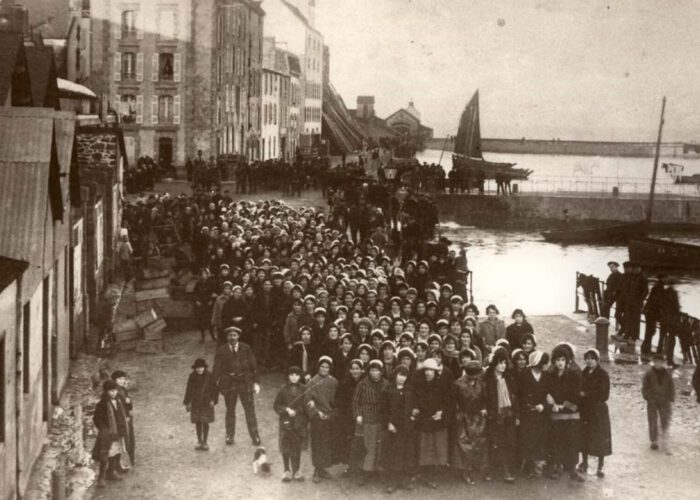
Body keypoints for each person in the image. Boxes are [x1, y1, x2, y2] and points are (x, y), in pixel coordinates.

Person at [212, 326, 261, 446]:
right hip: (229, 384)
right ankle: (229, 435)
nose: (232, 338)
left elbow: (253, 366)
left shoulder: (246, 348)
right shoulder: (221, 350)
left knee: (250, 410)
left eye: (234, 335)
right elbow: (216, 369)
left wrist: (256, 382)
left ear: (238, 336)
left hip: (245, 383)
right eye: (230, 335)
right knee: (230, 411)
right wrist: (214, 385)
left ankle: (255, 435)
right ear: (226, 337)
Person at [547, 345, 585, 482]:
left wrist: (563, 405)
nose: (560, 363)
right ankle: (557, 467)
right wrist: (550, 399)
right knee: (557, 440)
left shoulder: (573, 375)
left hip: (571, 414)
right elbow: (547, 390)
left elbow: (576, 395)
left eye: (563, 360)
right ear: (554, 361)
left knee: (572, 442)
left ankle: (573, 470)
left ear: (567, 361)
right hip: (556, 414)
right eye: (557, 360)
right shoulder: (550, 375)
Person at [413, 358, 450, 489]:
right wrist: (415, 409)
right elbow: (415, 401)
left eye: (431, 370)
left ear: (435, 372)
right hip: (423, 421)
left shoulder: (441, 385)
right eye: (426, 370)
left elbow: (448, 402)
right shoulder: (418, 385)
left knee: (436, 449)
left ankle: (432, 475)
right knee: (424, 448)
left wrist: (442, 412)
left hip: (437, 422)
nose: (428, 373)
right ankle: (423, 473)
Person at [353, 359, 390, 485]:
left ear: (381, 372)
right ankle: (367, 472)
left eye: (377, 370)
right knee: (369, 446)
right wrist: (358, 414)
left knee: (381, 445)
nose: (375, 373)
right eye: (372, 370)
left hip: (381, 419)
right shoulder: (363, 384)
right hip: (368, 418)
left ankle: (380, 471)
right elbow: (355, 401)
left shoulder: (386, 384)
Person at [484, 349, 519, 483]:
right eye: (500, 363)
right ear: (494, 364)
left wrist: (517, 415)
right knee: (494, 442)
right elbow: (485, 398)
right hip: (494, 416)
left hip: (508, 415)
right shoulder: (488, 379)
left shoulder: (509, 378)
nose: (503, 366)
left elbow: (515, 398)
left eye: (504, 363)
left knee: (507, 442)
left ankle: (506, 470)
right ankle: (490, 470)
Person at [452, 359, 487, 484]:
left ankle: (477, 470)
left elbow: (484, 398)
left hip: (478, 418)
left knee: (479, 443)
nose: (476, 378)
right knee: (464, 445)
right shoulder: (458, 384)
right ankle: (465, 472)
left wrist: (483, 408)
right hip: (464, 417)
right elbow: (453, 402)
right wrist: (458, 415)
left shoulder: (481, 383)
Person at [305, 356, 339, 483]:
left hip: (329, 416)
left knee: (326, 443)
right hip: (317, 417)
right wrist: (317, 413)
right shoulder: (312, 382)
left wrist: (332, 413)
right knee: (317, 443)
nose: (324, 369)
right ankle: (316, 469)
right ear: (318, 367)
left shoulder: (334, 382)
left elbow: (336, 400)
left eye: (327, 367)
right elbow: (307, 400)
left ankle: (323, 468)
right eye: (322, 367)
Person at [579, 348, 612, 478]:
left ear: (597, 360)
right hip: (585, 410)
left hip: (598, 411)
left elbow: (604, 395)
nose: (589, 361)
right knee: (584, 436)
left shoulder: (603, 374)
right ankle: (585, 462)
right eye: (587, 358)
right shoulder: (584, 372)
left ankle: (600, 465)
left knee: (600, 438)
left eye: (592, 358)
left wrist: (586, 394)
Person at [92, 380, 131, 488]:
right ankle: (101, 477)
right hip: (108, 434)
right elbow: (96, 419)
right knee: (105, 454)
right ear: (106, 392)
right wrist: (104, 429)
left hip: (118, 431)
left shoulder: (118, 401)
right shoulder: (102, 404)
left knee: (117, 451)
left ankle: (112, 471)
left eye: (115, 391)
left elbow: (122, 414)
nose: (113, 393)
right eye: (111, 391)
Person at [383, 365, 416, 493]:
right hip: (394, 428)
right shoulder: (388, 390)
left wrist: (413, 417)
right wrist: (389, 423)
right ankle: (393, 481)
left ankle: (405, 480)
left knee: (407, 453)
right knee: (394, 454)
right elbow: (384, 410)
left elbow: (415, 407)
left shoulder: (410, 390)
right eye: (400, 375)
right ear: (395, 375)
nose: (402, 378)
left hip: (407, 427)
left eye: (404, 376)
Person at [517, 351, 550, 477]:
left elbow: (548, 393)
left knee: (539, 438)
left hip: (541, 413)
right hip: (527, 412)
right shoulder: (525, 375)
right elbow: (519, 394)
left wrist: (543, 405)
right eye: (544, 363)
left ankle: (538, 466)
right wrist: (527, 406)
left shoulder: (546, 376)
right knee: (527, 438)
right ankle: (527, 465)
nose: (546, 366)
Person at [273, 366, 309, 482]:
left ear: (300, 377)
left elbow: (306, 405)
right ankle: (286, 470)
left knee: (297, 445)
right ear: (288, 376)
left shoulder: (304, 389)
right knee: (286, 445)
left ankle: (297, 470)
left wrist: (298, 412)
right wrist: (287, 410)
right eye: (291, 375)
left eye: (296, 375)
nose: (294, 378)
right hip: (286, 422)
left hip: (299, 422)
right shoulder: (283, 390)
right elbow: (276, 405)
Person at [183, 358, 219, 451]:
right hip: (196, 402)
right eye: (197, 368)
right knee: (198, 422)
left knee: (205, 422)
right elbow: (189, 389)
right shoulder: (192, 376)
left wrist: (213, 400)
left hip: (206, 403)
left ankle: (205, 441)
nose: (199, 370)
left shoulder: (210, 376)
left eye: (201, 368)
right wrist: (187, 402)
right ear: (195, 368)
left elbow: (215, 389)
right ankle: (199, 441)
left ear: (204, 368)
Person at [642, 354, 674, 454]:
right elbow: (645, 386)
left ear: (663, 362)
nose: (658, 363)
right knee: (652, 420)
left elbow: (671, 386)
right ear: (653, 361)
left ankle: (665, 440)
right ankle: (654, 440)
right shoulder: (649, 373)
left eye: (660, 361)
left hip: (664, 400)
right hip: (652, 400)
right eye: (656, 361)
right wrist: (647, 396)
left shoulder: (667, 374)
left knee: (665, 419)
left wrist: (671, 396)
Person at [111, 370, 135, 467]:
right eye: (119, 379)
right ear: (114, 379)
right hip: (120, 419)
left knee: (128, 440)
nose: (121, 381)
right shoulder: (114, 391)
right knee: (121, 442)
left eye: (123, 379)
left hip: (126, 417)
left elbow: (129, 405)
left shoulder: (122, 389)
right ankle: (118, 464)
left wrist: (128, 402)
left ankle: (128, 461)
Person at [601, 261, 623, 327]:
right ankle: (605, 322)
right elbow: (608, 285)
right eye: (610, 267)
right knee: (604, 308)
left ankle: (605, 322)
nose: (611, 268)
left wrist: (614, 293)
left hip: (616, 295)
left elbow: (619, 286)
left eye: (613, 267)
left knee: (606, 307)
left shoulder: (620, 275)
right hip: (609, 294)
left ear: (616, 267)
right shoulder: (611, 275)